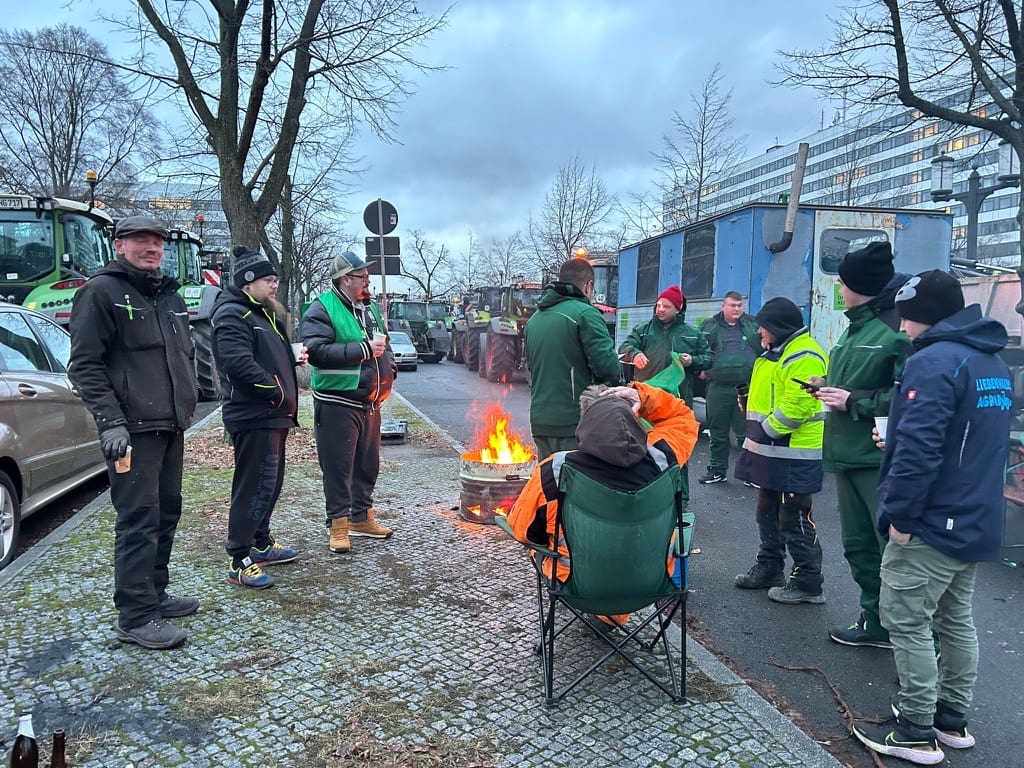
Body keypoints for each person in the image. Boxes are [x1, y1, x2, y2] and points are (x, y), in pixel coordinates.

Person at [853, 271, 1012, 765]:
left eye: (906, 315)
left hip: (932, 519)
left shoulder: (933, 361)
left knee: (906, 618)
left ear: (924, 314)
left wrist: (899, 517)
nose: (901, 327)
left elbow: (921, 451)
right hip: (975, 515)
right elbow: (966, 438)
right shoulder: (990, 361)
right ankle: (951, 720)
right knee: (956, 618)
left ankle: (915, 729)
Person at [68, 215, 198, 650]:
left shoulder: (168, 295)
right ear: (119, 245)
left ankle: (155, 594)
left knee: (166, 513)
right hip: (131, 432)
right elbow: (85, 365)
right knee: (138, 519)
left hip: (169, 426)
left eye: (158, 242)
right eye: (140, 240)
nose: (151, 248)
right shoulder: (100, 293)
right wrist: (111, 421)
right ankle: (135, 615)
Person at [507, 382, 699, 626]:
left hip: (579, 587)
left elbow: (523, 532)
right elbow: (684, 417)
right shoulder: (663, 459)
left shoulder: (554, 472)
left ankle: (601, 613)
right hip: (651, 583)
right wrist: (644, 397)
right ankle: (613, 616)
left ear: (584, 424)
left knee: (542, 541)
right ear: (634, 418)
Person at [810, 242, 911, 648]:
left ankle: (914, 638)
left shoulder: (894, 330)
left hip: (876, 457)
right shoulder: (856, 327)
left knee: (892, 550)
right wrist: (828, 388)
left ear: (856, 286)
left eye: (843, 281)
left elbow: (909, 396)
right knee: (858, 547)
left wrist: (853, 401)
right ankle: (876, 621)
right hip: (845, 454)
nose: (840, 288)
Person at [212, 246, 303, 590]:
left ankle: (261, 542)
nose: (275, 285)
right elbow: (236, 362)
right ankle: (239, 558)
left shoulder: (262, 314)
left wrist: (291, 361)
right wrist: (276, 390)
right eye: (269, 279)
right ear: (248, 282)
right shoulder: (233, 314)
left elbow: (264, 356)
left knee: (270, 483)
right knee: (253, 486)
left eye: (276, 279)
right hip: (254, 415)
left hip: (274, 415)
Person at [734, 297, 828, 605]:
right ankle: (770, 566)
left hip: (793, 452)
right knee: (767, 512)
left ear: (778, 327)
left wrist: (767, 429)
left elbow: (799, 403)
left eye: (764, 326)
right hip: (773, 450)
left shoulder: (804, 354)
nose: (759, 331)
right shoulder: (777, 352)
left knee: (794, 516)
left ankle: (808, 581)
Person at [301, 251, 396, 555]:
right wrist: (363, 349)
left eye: (367, 276)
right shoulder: (322, 308)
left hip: (369, 402)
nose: (367, 281)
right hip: (337, 401)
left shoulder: (367, 308)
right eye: (362, 276)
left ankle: (361, 517)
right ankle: (339, 526)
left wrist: (390, 369)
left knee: (367, 466)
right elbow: (315, 351)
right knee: (338, 468)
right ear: (344, 279)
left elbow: (385, 344)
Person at [524, 258, 621, 460]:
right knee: (577, 486)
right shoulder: (585, 314)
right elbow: (607, 367)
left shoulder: (534, 320)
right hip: (575, 422)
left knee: (549, 484)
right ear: (589, 285)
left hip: (541, 421)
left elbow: (532, 367)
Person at [697, 291, 762, 484]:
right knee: (718, 431)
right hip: (718, 387)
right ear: (723, 306)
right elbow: (698, 350)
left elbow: (765, 347)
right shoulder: (709, 326)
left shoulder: (753, 325)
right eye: (732, 305)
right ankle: (717, 470)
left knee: (747, 432)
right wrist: (699, 370)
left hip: (746, 386)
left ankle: (750, 473)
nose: (736, 309)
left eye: (739, 306)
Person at [618, 285, 712, 406]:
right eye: (658, 305)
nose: (661, 309)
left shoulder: (693, 334)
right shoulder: (643, 330)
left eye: (666, 307)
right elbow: (624, 347)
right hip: (646, 398)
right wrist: (635, 354)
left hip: (678, 401)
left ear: (678, 309)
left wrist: (692, 361)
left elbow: (709, 358)